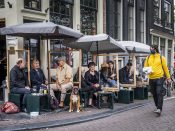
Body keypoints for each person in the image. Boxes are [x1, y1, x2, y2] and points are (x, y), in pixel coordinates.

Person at [144, 45, 171, 116]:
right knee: (154, 93)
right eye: (150, 48)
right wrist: (147, 72)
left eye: (152, 48)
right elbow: (145, 67)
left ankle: (159, 109)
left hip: (159, 77)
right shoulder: (148, 57)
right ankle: (157, 106)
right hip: (151, 78)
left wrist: (168, 78)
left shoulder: (161, 58)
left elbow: (165, 68)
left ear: (155, 49)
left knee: (159, 92)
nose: (151, 50)